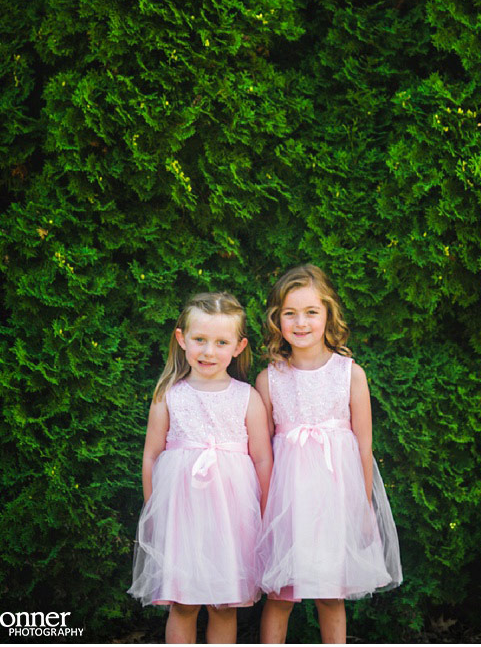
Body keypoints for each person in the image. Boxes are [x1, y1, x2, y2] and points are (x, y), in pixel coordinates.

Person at [256, 264, 402, 644]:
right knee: (280, 595)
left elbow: (364, 447)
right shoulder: (269, 379)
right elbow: (263, 453)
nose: (300, 323)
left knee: (330, 594)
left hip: (334, 502)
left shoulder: (350, 375)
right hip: (288, 504)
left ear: (328, 315)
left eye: (310, 312)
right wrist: (265, 511)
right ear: (277, 319)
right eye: (290, 313)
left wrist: (364, 509)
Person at [128, 292, 273, 644]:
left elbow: (263, 458)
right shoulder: (169, 395)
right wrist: (154, 510)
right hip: (182, 520)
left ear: (238, 347)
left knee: (224, 605)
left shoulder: (247, 397)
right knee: (184, 604)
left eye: (221, 342)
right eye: (200, 340)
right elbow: (151, 455)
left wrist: (267, 514)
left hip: (232, 520)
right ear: (182, 339)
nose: (209, 351)